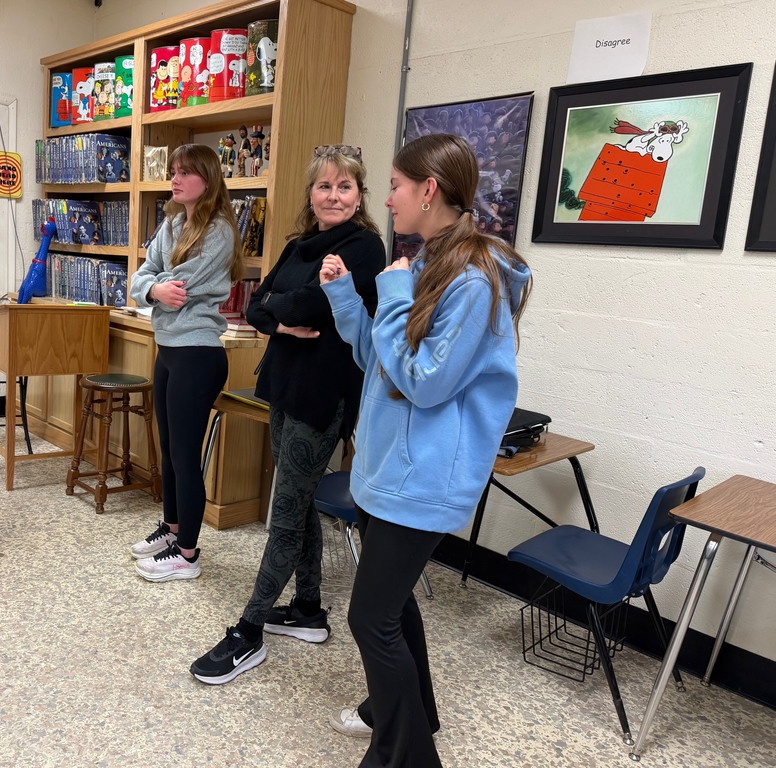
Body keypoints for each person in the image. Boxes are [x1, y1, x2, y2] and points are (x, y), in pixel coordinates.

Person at [319, 133, 531, 767]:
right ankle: (414, 715)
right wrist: (347, 301)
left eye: (394, 186)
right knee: (391, 603)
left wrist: (389, 298)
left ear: (428, 191)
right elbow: (379, 364)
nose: (385, 199)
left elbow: (427, 383)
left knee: (370, 618)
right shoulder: (426, 266)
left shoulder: (474, 279)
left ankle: (405, 756)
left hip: (424, 479)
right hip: (390, 470)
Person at [189, 145, 385, 684]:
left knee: (286, 507)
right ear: (311, 194)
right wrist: (279, 316)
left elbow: (308, 307)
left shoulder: (365, 247)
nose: (333, 195)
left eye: (345, 187)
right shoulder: (302, 245)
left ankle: (249, 631)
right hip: (282, 384)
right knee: (296, 499)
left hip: (325, 393)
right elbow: (252, 303)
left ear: (360, 195)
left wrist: (282, 309)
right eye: (324, 186)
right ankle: (307, 608)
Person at [129, 143, 243, 582]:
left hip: (198, 353)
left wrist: (155, 288)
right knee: (170, 450)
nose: (174, 179)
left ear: (208, 179)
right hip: (168, 348)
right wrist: (154, 291)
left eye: (184, 172)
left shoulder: (219, 231)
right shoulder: (174, 223)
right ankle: (173, 529)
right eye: (173, 171)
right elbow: (145, 277)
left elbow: (183, 285)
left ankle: (188, 554)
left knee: (184, 453)